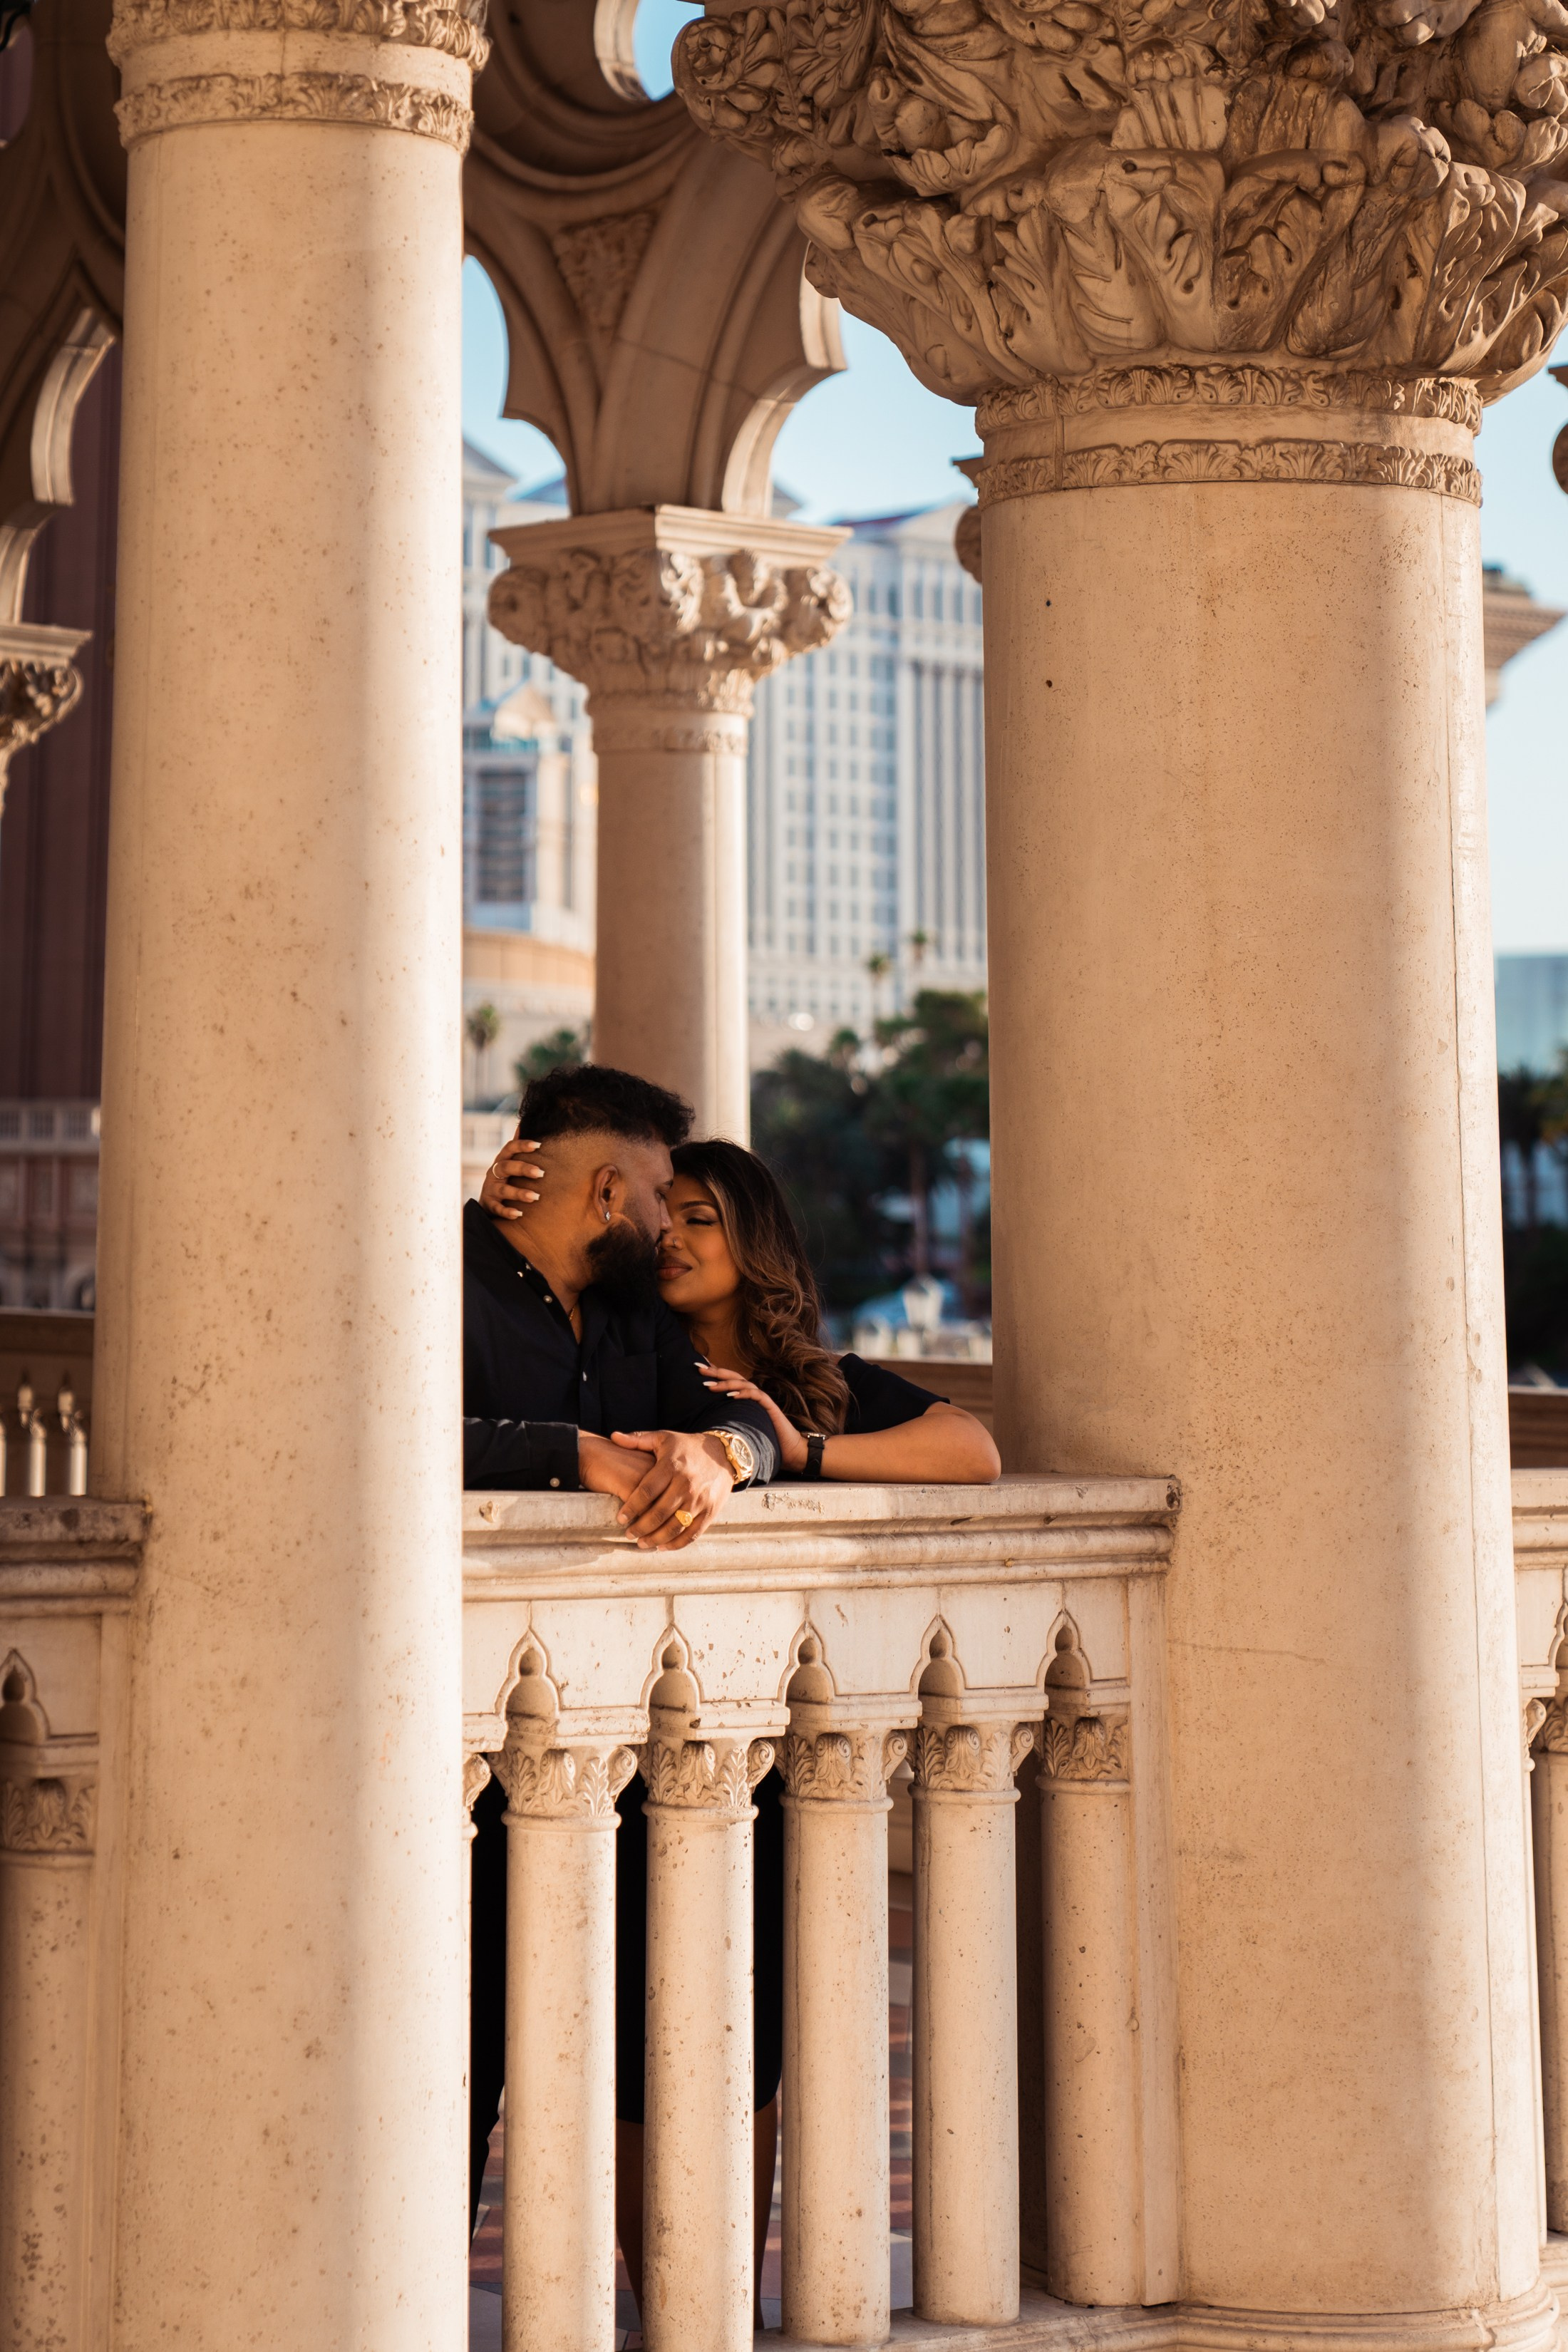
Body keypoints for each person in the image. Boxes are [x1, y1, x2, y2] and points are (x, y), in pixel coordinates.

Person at [480, 1129, 1000, 2324]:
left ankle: (717, 2302)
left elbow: (971, 1450)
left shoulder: (813, 1384)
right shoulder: (617, 1355)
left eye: (702, 1217)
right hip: (615, 1748)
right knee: (621, 2032)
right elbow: (515, 1321)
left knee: (746, 2020)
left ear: (755, 1240)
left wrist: (796, 1446)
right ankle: (659, 2297)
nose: (672, 1235)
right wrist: (507, 1197)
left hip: (761, 1750)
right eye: (669, 1212)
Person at [465, 1066, 779, 2246]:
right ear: (606, 1190)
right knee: (454, 2071)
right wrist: (575, 1455)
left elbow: (755, 1410)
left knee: (635, 2053)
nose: (666, 1215)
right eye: (657, 1191)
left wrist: (721, 1455)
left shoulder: (643, 1316)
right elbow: (359, 1417)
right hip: (458, 1769)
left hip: (624, 1773)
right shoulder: (438, 1270)